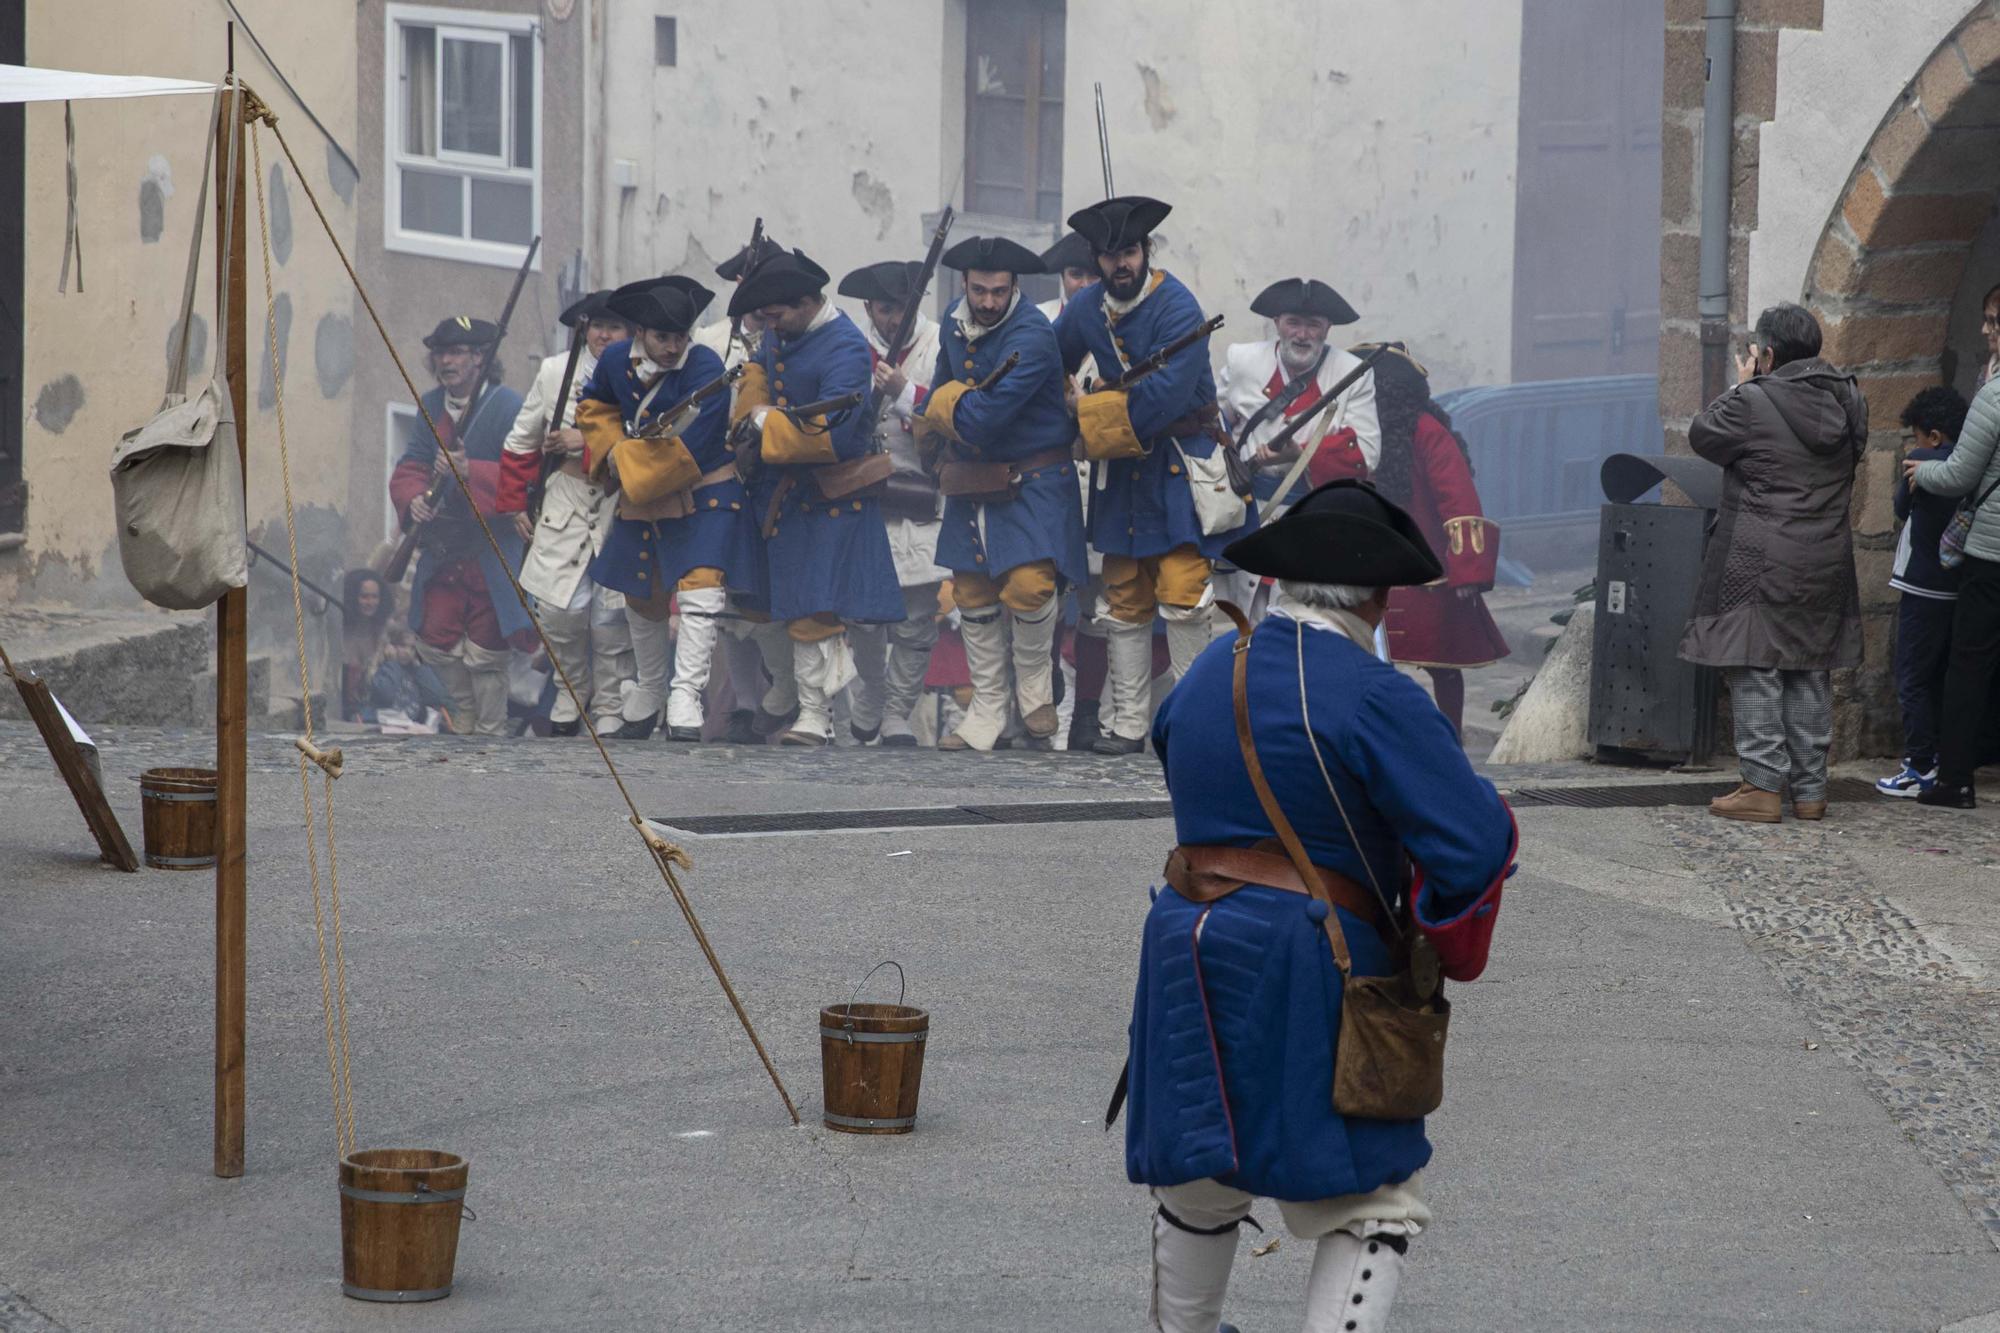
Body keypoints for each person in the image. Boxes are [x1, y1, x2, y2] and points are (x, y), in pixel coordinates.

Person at [1121, 479, 1516, 1333]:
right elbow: (1476, 843)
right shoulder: (1376, 695)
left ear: (1287, 584)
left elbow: (1177, 758)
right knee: (1371, 1197)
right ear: (1377, 597)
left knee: (1197, 1178)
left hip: (1184, 944)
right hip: (1315, 958)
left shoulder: (1201, 677)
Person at [1055, 195, 1253, 754]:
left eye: (1131, 252)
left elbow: (1160, 402)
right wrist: (1062, 398)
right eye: (1111, 254)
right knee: (1123, 592)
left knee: (1183, 588)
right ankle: (1128, 725)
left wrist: (1084, 413)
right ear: (1096, 259)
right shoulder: (1088, 305)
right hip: (1121, 470)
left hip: (1178, 460)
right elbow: (1054, 358)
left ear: (1147, 252)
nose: (1122, 264)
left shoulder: (1179, 308)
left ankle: (1194, 725)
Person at [1679, 303, 1865, 822]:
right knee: (1809, 664)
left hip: (1760, 556)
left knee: (1755, 659)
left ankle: (1760, 786)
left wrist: (1742, 385)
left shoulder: (1753, 402)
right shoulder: (1850, 398)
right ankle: (1810, 791)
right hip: (1826, 556)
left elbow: (1703, 435)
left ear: (1767, 353)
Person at [917, 235, 1088, 750]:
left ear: (1015, 286)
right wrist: (944, 414)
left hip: (1033, 479)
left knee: (1031, 586)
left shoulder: (1033, 335)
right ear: (964, 285)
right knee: (970, 590)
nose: (988, 301)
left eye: (998, 291)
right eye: (978, 290)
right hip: (973, 478)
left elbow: (983, 419)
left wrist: (939, 404)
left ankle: (1035, 689)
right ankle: (987, 710)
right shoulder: (952, 317)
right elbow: (949, 384)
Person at [730, 247, 904, 746]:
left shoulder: (847, 348)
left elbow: (836, 436)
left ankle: (816, 715)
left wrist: (764, 420)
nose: (771, 325)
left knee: (817, 610)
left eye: (777, 314)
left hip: (829, 495)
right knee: (765, 605)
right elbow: (758, 372)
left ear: (807, 303)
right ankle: (792, 694)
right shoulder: (783, 334)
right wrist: (754, 397)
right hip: (783, 494)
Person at [576, 277, 753, 742]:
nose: (674, 347)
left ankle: (685, 695)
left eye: (680, 337)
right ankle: (651, 690)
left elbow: (689, 447)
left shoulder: (707, 367)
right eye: (663, 337)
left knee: (701, 591)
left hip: (703, 491)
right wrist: (612, 448)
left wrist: (624, 462)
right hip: (645, 489)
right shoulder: (615, 359)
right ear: (640, 334)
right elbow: (594, 406)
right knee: (643, 593)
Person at [1320, 343, 1508, 740]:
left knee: (1444, 666)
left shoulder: (1427, 432)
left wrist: (1466, 572)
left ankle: (1450, 739)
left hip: (1426, 573)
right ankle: (1366, 736)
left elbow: (1458, 498)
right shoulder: (1348, 430)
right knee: (1358, 661)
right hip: (1364, 570)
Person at [496, 289, 634, 737]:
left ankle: (610, 703)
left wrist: (587, 441)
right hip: (566, 495)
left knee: (610, 613)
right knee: (559, 609)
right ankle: (572, 691)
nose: (605, 335)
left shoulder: (641, 371)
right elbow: (521, 439)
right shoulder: (556, 371)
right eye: (597, 326)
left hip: (622, 495)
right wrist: (516, 501)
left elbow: (647, 437)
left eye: (614, 327)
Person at [388, 316, 532, 737]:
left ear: (480, 359)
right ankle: (463, 717)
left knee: (488, 648)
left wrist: (471, 471)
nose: (446, 361)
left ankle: (490, 728)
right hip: (443, 547)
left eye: (456, 353)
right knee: (435, 640)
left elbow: (525, 476)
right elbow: (412, 462)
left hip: (490, 546)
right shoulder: (431, 404)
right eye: (441, 353)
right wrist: (414, 497)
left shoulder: (508, 407)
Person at [840, 259, 946, 747]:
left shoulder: (940, 343)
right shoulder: (848, 348)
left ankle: (899, 710)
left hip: (924, 492)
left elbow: (950, 410)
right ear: (868, 308)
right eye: (884, 308)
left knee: (917, 616)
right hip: (866, 494)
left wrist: (906, 393)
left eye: (901, 307)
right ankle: (873, 691)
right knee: (862, 615)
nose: (892, 317)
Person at [698, 235, 797, 741]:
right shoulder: (712, 342)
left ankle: (787, 694)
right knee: (731, 602)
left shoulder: (790, 335)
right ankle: (742, 701)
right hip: (724, 473)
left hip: (777, 473)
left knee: (773, 597)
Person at [1907, 374, 2000, 808]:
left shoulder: (1996, 393)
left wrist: (1921, 469)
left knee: (1969, 663)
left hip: (1992, 555)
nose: (1987, 332)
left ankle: (1955, 780)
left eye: (1993, 323)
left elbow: (1961, 474)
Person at [1876, 387, 1970, 797]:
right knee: (1936, 677)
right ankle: (1937, 758)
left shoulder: (1924, 461)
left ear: (1933, 436)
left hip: (1922, 585)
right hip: (1954, 584)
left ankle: (1918, 765)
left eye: (1916, 436)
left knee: (1910, 677)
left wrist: (1911, 469)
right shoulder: (1970, 464)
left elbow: (1900, 508)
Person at [1040, 230, 1111, 752]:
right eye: (1075, 275)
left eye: (1092, 275)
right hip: (1050, 476)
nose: (1084, 284)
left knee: (1097, 607)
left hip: (1105, 480)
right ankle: (1039, 689)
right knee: (1038, 594)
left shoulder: (1122, 327)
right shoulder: (1040, 323)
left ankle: (1087, 709)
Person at [1218, 277, 1380, 500]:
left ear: (1327, 329)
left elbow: (1367, 452)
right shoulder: (1242, 359)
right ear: (1277, 323)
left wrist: (1302, 454)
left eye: (1313, 325)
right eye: (1293, 322)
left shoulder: (1354, 372)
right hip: (1244, 499)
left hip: (1312, 503)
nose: (1302, 335)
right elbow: (1216, 426)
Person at [340, 570, 392, 723]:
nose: (370, 602)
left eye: (375, 596)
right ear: (353, 598)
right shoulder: (340, 631)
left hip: (375, 708)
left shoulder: (382, 631)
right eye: (364, 596)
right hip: (347, 710)